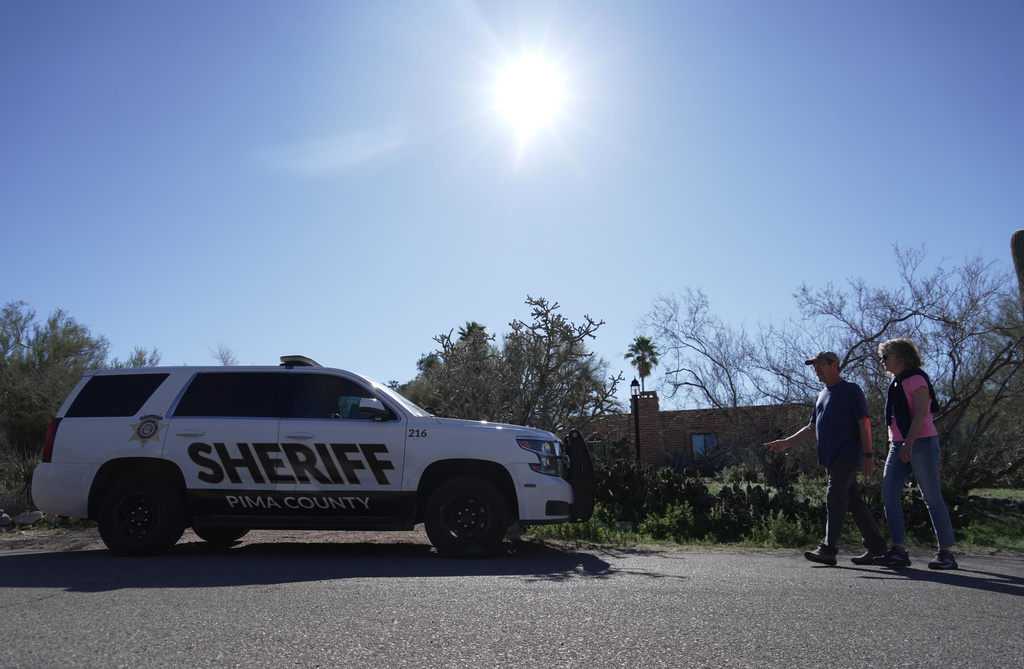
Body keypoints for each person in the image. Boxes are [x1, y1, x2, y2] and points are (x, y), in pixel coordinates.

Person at [765, 351, 887, 566]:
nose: (817, 369)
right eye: (814, 365)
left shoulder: (850, 390)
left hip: (847, 455)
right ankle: (877, 549)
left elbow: (864, 422)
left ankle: (828, 550)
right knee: (855, 504)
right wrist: (786, 443)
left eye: (821, 364)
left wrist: (867, 455)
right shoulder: (822, 395)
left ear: (835, 365)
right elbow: (811, 428)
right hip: (830, 459)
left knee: (835, 498)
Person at [874, 338, 958, 570]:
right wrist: (900, 444)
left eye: (886, 356)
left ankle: (946, 553)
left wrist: (908, 444)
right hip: (898, 444)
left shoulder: (917, 379)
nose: (882, 361)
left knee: (931, 496)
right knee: (889, 493)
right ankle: (899, 551)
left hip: (921, 443)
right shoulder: (896, 383)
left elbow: (921, 413)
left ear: (901, 356)